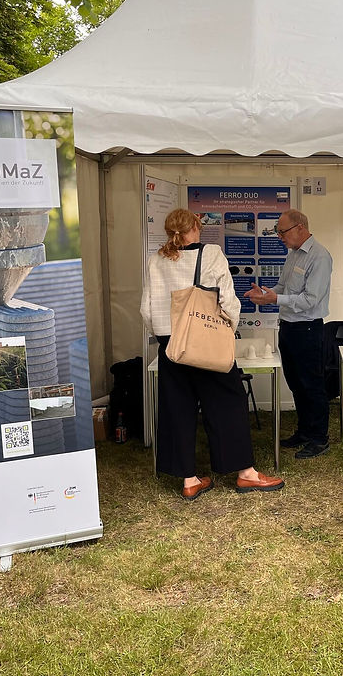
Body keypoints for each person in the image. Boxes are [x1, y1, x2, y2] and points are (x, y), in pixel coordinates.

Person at [141, 208, 284, 500]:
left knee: (177, 409)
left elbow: (146, 308)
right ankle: (245, 473)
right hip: (205, 339)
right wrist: (228, 329)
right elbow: (228, 299)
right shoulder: (211, 253)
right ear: (195, 227)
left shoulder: (156, 260)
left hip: (171, 344)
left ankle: (189, 479)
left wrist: (165, 335)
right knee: (228, 403)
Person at [244, 209, 333, 459]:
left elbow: (311, 299)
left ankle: (319, 438)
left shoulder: (319, 256)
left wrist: (276, 299)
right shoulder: (293, 254)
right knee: (296, 384)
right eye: (278, 232)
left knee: (311, 385)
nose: (280, 237)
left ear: (300, 228)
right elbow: (283, 287)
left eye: (282, 232)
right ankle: (304, 431)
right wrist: (265, 294)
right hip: (289, 328)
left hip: (308, 329)